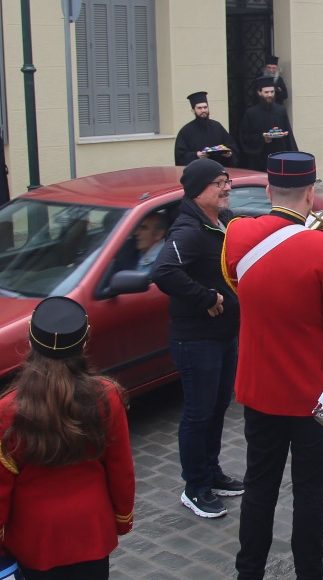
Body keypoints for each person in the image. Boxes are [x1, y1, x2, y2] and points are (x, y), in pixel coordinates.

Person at [223, 152, 323, 580]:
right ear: (311, 194)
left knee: (259, 489)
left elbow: (237, 282)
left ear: (267, 190)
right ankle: (309, 574)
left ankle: (249, 573)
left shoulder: (238, 233)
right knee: (309, 495)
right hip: (311, 394)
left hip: (260, 389)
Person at [0, 297, 135, 580]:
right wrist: (122, 518)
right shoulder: (107, 395)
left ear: (30, 340)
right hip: (91, 530)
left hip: (35, 538)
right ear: (84, 343)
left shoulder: (8, 409)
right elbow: (121, 467)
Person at [153, 159, 243, 519]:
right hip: (196, 340)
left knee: (218, 406)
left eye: (227, 181)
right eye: (219, 183)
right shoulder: (188, 230)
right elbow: (163, 271)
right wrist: (205, 297)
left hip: (222, 336)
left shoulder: (219, 221)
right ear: (198, 190)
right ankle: (195, 486)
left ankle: (212, 472)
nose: (227, 188)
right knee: (198, 413)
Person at [238, 77, 298, 171]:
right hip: (260, 159)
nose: (270, 95)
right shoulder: (251, 113)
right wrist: (262, 138)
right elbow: (245, 137)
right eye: (266, 92)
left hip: (279, 156)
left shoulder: (280, 110)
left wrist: (293, 155)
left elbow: (289, 135)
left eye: (272, 92)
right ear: (259, 93)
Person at [174, 91, 237, 167]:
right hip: (197, 171)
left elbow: (231, 146)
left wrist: (229, 153)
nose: (203, 110)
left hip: (217, 170)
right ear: (193, 110)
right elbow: (180, 155)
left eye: (205, 107)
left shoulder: (217, 126)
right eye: (199, 108)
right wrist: (196, 155)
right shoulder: (186, 131)